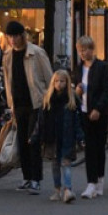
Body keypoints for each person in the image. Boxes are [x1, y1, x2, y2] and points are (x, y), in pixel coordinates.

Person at [2, 19, 53, 193]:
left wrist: (47, 98)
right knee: (22, 141)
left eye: (16, 36)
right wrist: (11, 103)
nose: (13, 40)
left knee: (33, 142)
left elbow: (49, 77)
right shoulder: (8, 55)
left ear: (22, 36)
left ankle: (36, 179)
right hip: (18, 104)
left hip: (36, 103)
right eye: (10, 36)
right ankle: (26, 177)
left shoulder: (36, 53)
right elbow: (8, 81)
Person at [73, 35, 108, 199]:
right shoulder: (78, 68)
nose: (82, 53)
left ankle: (99, 180)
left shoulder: (101, 67)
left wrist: (98, 109)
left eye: (84, 49)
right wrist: (77, 92)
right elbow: (75, 88)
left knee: (99, 147)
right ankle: (91, 183)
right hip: (83, 111)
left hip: (98, 114)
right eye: (79, 50)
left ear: (91, 49)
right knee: (89, 148)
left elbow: (106, 91)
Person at [40, 69, 83, 202]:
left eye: (62, 81)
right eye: (57, 81)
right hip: (52, 137)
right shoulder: (48, 99)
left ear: (67, 82)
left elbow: (77, 121)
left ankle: (68, 189)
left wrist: (80, 136)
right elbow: (41, 121)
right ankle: (57, 190)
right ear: (53, 83)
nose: (59, 84)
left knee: (66, 164)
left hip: (67, 137)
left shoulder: (71, 99)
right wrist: (36, 136)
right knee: (55, 165)